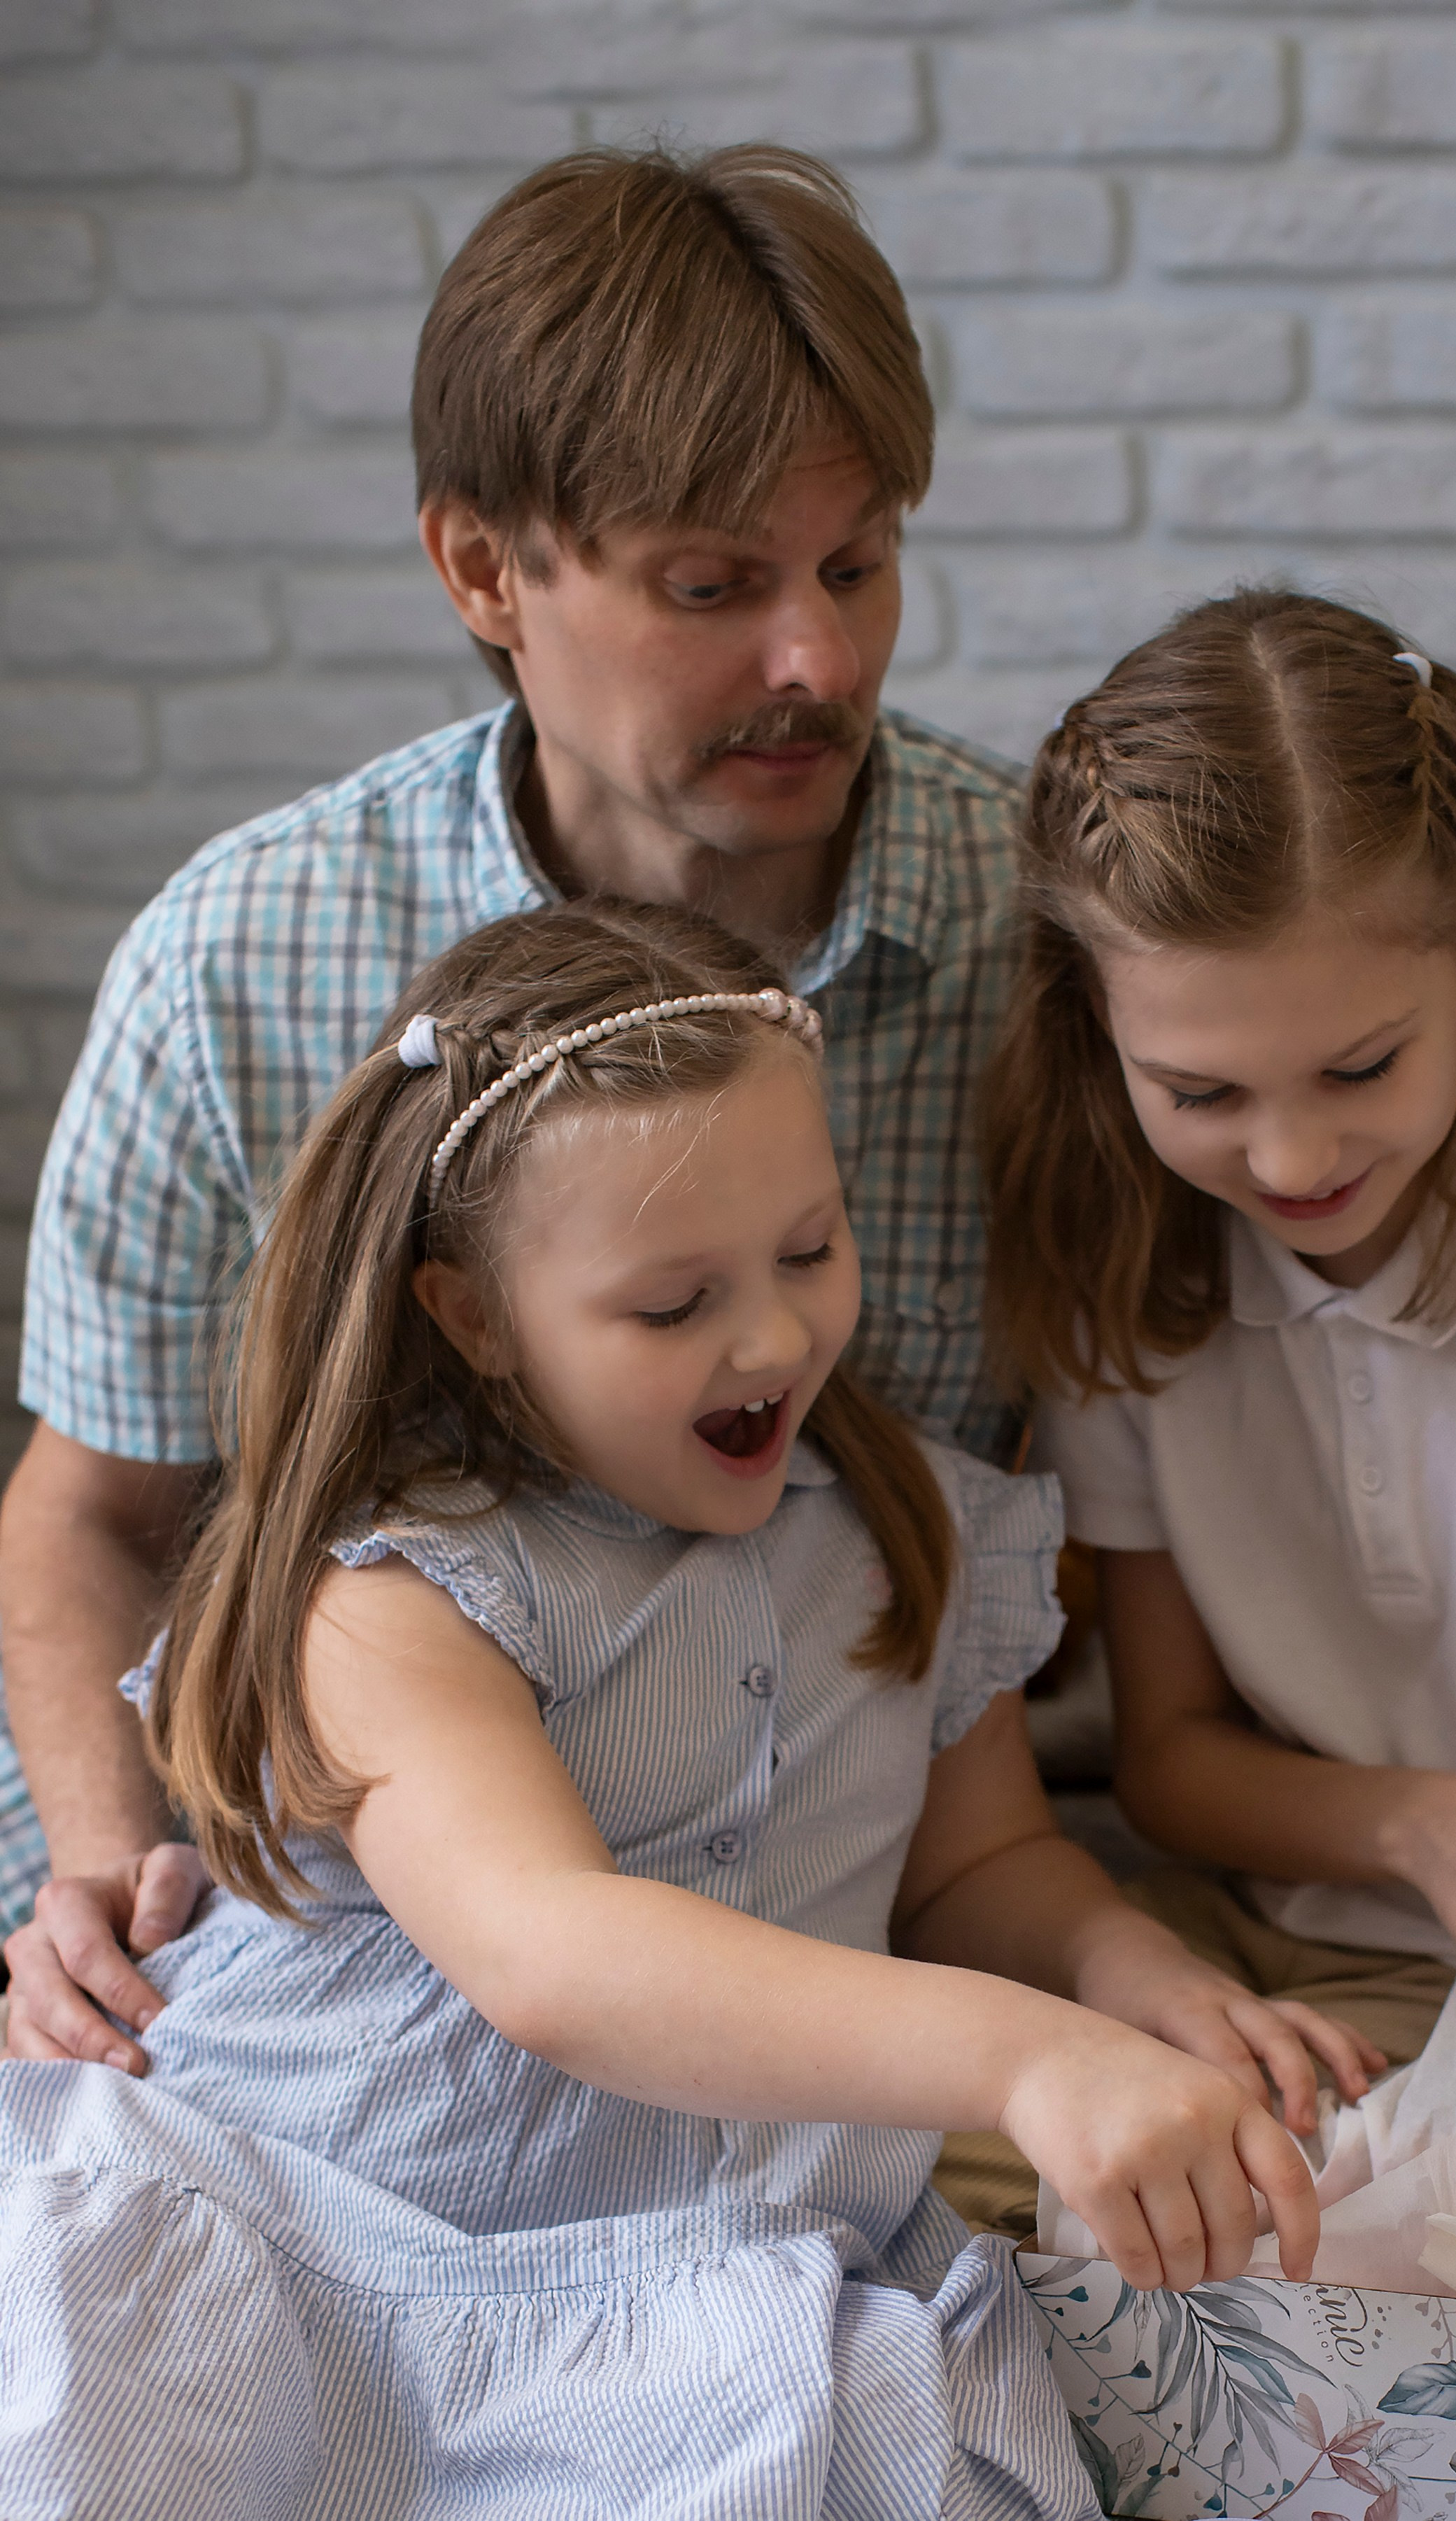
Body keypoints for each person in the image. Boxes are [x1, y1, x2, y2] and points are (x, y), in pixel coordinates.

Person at [0, 900, 1342, 2516]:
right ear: (471, 1315)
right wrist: (1022, 2059)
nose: (773, 1335)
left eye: (807, 1249)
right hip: (345, 2240)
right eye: (670, 1305)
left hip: (734, 2268)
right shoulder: (395, 1592)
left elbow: (975, 1867)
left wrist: (1139, 1982)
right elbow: (554, 1953)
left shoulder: (906, 1521)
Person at [0, 143, 1029, 2069]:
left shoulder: (1027, 934)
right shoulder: (240, 957)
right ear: (483, 567)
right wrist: (92, 1860)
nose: (818, 660)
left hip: (825, 1875)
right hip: (347, 1916)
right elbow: (89, 1515)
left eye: (856, 562)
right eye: (710, 587)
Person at [988, 586, 1456, 2077]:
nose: (1293, 1162)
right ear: (1096, 1027)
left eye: (1358, 1065)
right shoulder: (1126, 1286)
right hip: (1288, 1939)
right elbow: (1167, 1755)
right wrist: (1423, 1824)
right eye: (1201, 1094)